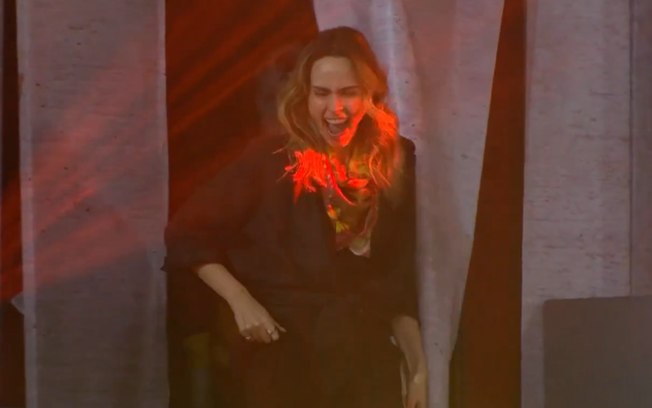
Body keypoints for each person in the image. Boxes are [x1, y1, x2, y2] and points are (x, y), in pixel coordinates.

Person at [163, 26, 428, 408]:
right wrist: (240, 300)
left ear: (370, 95)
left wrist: (417, 369)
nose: (335, 109)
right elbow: (187, 232)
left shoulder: (394, 161)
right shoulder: (270, 157)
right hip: (285, 355)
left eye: (348, 92)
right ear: (304, 95)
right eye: (321, 93)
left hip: (363, 359)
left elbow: (398, 278)